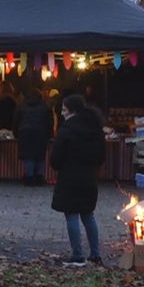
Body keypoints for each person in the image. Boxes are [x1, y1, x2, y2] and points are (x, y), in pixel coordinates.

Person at [50, 95, 107, 267]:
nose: (61, 113)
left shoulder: (67, 130)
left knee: (72, 215)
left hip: (69, 177)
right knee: (88, 215)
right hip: (89, 177)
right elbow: (101, 156)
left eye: (64, 110)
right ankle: (95, 254)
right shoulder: (96, 129)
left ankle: (77, 254)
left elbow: (56, 158)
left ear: (72, 111)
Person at [14, 89, 53, 186]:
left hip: (25, 133)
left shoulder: (21, 106)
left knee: (28, 156)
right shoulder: (45, 107)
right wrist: (49, 134)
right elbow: (49, 122)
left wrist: (16, 133)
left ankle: (29, 177)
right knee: (40, 155)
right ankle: (40, 177)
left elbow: (16, 121)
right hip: (41, 132)